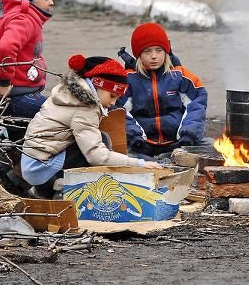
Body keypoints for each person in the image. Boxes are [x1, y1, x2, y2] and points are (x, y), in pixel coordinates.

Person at [20, 55, 163, 199]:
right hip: (41, 168)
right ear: (98, 85)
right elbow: (98, 157)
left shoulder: (71, 93)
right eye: (112, 95)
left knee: (99, 139)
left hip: (33, 162)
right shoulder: (85, 107)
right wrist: (139, 164)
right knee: (100, 144)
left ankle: (46, 187)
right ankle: (57, 190)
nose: (113, 103)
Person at [0, 0, 54, 196]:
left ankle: (16, 180)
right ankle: (46, 179)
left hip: (17, 92)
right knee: (56, 118)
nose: (51, 2)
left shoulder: (8, 14)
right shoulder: (26, 19)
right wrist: (3, 82)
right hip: (18, 94)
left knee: (21, 140)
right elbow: (3, 49)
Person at [112, 22, 208, 157]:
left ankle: (167, 158)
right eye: (147, 51)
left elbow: (198, 102)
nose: (154, 56)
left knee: (213, 147)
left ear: (166, 51)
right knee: (117, 153)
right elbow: (118, 111)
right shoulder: (128, 79)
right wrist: (134, 136)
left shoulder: (179, 75)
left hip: (178, 142)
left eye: (159, 50)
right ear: (138, 54)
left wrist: (188, 134)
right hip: (141, 144)